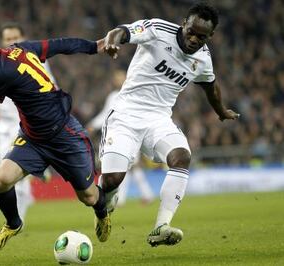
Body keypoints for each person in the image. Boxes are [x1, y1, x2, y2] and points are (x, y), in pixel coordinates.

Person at [0, 32, 110, 253]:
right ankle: (13, 224)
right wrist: (93, 46)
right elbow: (59, 44)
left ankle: (102, 211)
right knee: (1, 180)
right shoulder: (21, 48)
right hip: (33, 139)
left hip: (64, 135)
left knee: (89, 197)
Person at [99, 2, 240, 247]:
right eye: (191, 32)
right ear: (183, 24)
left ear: (211, 36)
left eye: (202, 36)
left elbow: (211, 87)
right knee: (112, 180)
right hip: (125, 114)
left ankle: (161, 226)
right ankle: (104, 208)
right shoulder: (157, 30)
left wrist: (221, 112)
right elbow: (123, 31)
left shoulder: (203, 59)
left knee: (182, 156)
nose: (195, 39)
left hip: (158, 119)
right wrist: (112, 40)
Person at [0, 22, 56, 220]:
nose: (12, 42)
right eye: (8, 39)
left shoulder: (37, 60)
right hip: (4, 127)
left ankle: (17, 219)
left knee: (12, 171)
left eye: (16, 38)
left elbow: (52, 89)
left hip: (28, 125)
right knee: (3, 173)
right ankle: (35, 172)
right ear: (3, 42)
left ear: (24, 38)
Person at [87, 69, 154, 207]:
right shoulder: (117, 95)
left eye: (120, 78)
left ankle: (126, 198)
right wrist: (93, 125)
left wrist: (93, 125)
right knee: (130, 167)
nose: (117, 80)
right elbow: (106, 114)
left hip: (129, 133)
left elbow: (106, 114)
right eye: (116, 78)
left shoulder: (127, 94)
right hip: (127, 133)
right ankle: (143, 195)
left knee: (129, 166)